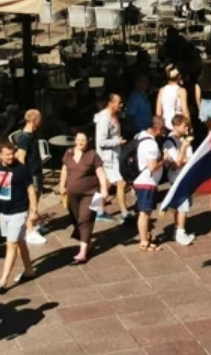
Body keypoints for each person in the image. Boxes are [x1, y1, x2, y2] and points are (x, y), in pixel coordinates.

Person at [0, 141, 39, 295]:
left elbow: (31, 190)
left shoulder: (21, 169)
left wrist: (33, 210)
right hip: (4, 212)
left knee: (11, 245)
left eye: (12, 153)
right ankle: (29, 270)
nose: (11, 157)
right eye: (7, 154)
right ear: (0, 155)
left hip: (19, 212)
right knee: (20, 242)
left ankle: (3, 281)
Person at [58, 132, 109, 263]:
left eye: (83, 140)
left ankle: (82, 252)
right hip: (72, 194)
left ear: (88, 141)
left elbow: (101, 173)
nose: (81, 142)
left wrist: (104, 189)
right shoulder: (69, 153)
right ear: (75, 140)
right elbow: (64, 170)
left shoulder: (93, 155)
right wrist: (62, 185)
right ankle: (87, 242)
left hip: (93, 194)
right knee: (76, 219)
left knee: (86, 219)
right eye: (79, 140)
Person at [13, 110, 47, 245]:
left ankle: (31, 226)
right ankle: (30, 231)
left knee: (36, 200)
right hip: (30, 175)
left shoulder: (33, 134)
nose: (41, 121)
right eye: (40, 118)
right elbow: (20, 158)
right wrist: (25, 178)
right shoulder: (24, 138)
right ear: (34, 120)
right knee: (31, 203)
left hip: (36, 172)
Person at [94, 94, 128, 222]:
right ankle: (124, 213)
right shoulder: (104, 119)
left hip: (113, 156)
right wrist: (117, 142)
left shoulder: (113, 116)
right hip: (107, 158)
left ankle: (96, 211)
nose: (121, 105)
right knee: (121, 183)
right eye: (119, 102)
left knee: (105, 185)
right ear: (110, 103)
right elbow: (101, 142)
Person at [133, 117, 166, 252]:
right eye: (162, 128)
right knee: (144, 213)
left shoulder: (139, 136)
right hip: (147, 181)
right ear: (158, 129)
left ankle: (146, 236)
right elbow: (152, 166)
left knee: (145, 212)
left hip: (139, 179)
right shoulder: (151, 144)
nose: (163, 131)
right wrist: (164, 161)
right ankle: (144, 241)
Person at [163, 116, 196, 246]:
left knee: (180, 205)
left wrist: (183, 158)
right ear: (175, 126)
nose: (187, 128)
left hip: (185, 176)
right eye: (184, 126)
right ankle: (181, 233)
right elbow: (176, 163)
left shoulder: (184, 139)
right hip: (176, 178)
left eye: (187, 126)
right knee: (183, 206)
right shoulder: (169, 142)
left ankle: (177, 229)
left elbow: (190, 159)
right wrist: (183, 149)